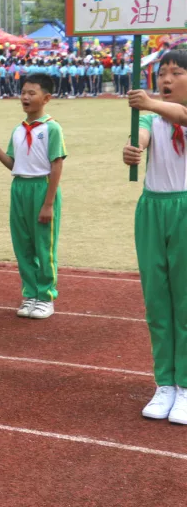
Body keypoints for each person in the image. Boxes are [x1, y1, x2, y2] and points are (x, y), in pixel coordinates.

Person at [123, 53, 187, 423]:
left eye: (176, 73)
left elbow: (179, 116)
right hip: (152, 210)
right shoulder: (150, 117)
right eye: (162, 73)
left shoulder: (168, 111)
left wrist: (151, 102)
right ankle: (165, 383)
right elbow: (142, 134)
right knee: (158, 301)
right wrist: (134, 149)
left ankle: (185, 385)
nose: (167, 78)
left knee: (185, 299)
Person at [0, 73, 65, 320]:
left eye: (32, 93)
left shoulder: (52, 128)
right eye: (23, 92)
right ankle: (30, 293)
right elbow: (14, 163)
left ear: (46, 98)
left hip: (42, 187)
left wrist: (48, 203)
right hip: (19, 188)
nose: (25, 97)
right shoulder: (19, 130)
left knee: (44, 245)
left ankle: (46, 296)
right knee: (23, 244)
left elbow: (57, 165)